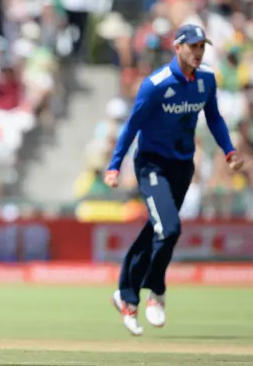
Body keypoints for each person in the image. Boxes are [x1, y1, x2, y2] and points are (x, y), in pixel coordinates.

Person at [103, 24, 243, 336]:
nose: (198, 52)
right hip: (152, 165)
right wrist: (114, 166)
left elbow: (215, 118)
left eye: (202, 47)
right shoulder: (156, 84)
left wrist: (229, 151)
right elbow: (132, 126)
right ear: (177, 47)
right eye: (192, 46)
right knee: (169, 228)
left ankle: (126, 297)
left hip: (182, 167)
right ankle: (156, 292)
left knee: (157, 231)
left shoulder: (206, 80)